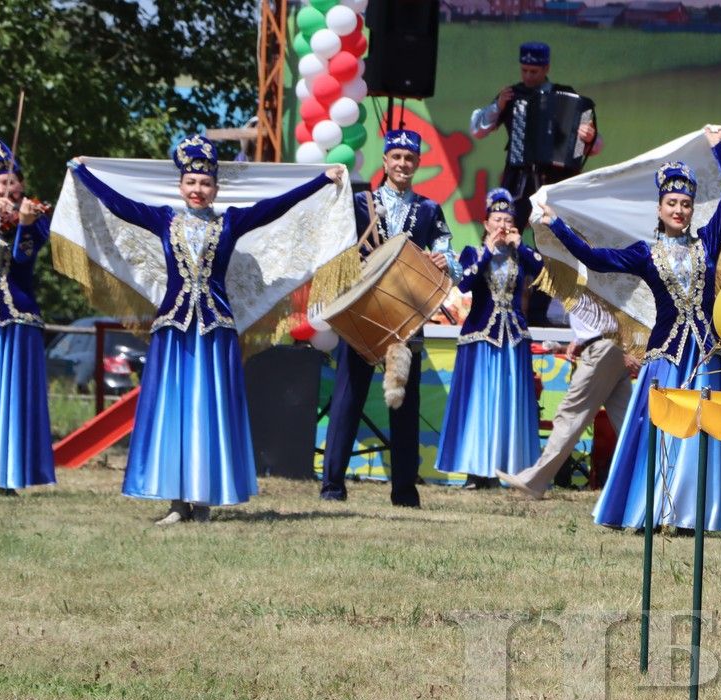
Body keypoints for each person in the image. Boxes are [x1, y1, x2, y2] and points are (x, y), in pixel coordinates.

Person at [70, 137, 347, 524]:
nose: (198, 190)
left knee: (209, 410)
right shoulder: (163, 219)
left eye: (205, 183)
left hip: (215, 329)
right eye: (191, 183)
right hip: (174, 330)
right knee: (177, 411)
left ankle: (202, 502)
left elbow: (278, 205)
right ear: (181, 186)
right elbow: (118, 204)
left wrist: (320, 179)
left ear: (215, 188)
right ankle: (176, 504)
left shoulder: (231, 221)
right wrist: (83, 173)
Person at [541, 125, 721, 532]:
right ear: (659, 208)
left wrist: (719, 150)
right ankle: (650, 510)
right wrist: (557, 225)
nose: (680, 210)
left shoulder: (708, 241)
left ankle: (690, 516)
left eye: (686, 203)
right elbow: (594, 259)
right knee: (660, 433)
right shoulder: (644, 254)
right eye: (672, 203)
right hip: (666, 356)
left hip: (703, 356)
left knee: (700, 433)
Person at [319, 129, 459, 508]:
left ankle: (404, 491)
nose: (402, 164)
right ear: (384, 161)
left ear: (417, 164)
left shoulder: (430, 210)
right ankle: (332, 486)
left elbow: (449, 252)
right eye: (395, 157)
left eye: (409, 158)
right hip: (365, 312)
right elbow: (335, 242)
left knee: (405, 406)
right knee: (348, 398)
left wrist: (446, 260)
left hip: (408, 316)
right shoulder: (361, 203)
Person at [470, 41, 602, 326]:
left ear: (546, 68)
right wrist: (498, 105)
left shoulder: (566, 97)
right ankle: (493, 302)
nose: (528, 76)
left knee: (554, 246)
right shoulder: (512, 95)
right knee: (501, 233)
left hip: (553, 184)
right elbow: (478, 129)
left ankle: (546, 312)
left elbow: (596, 144)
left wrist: (588, 136)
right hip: (518, 180)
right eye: (525, 70)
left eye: (534, 70)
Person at [437, 188, 542, 489]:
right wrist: (487, 250)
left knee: (509, 403)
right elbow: (466, 282)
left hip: (514, 339)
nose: (502, 226)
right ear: (486, 224)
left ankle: (508, 468)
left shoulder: (520, 255)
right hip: (481, 338)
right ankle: (475, 470)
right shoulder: (473, 252)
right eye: (496, 220)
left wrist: (520, 246)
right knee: (480, 404)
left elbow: (542, 271)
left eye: (507, 220)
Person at [0, 138, 54, 496]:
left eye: (9, 182)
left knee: (13, 395)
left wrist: (24, 225)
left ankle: (9, 475)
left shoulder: (34, 217)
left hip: (17, 317)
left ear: (21, 184)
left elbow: (21, 261)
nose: (3, 190)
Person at [497, 292, 638, 500]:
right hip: (613, 345)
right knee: (630, 424)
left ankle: (534, 481)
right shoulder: (601, 265)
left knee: (570, 415)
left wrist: (585, 339)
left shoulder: (589, 262)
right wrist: (580, 339)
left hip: (602, 348)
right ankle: (658, 481)